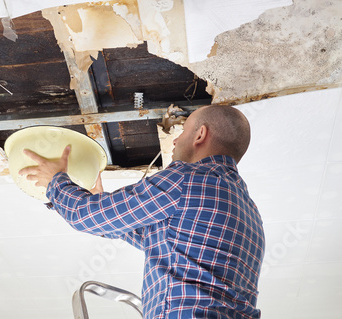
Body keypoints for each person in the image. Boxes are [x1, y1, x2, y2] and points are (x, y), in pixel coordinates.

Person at [19, 105, 265, 319]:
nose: (176, 141)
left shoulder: (186, 179)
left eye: (183, 131)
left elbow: (85, 217)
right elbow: (162, 240)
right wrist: (101, 210)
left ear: (200, 135)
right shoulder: (250, 212)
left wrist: (55, 181)